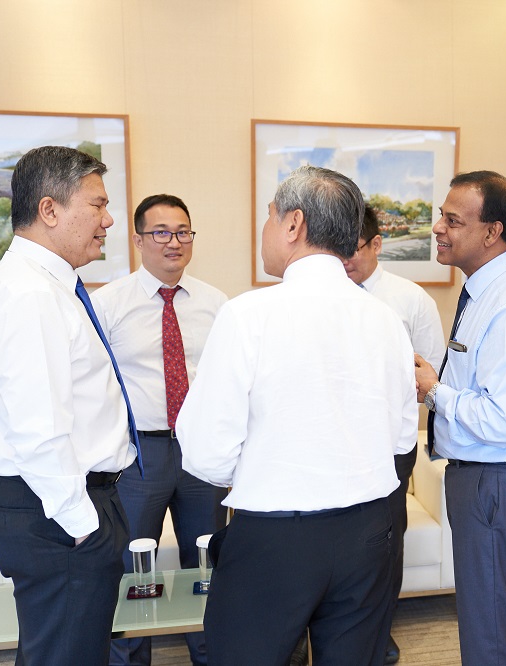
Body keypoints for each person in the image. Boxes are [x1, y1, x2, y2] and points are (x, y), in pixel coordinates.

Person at [176, 165, 417, 666]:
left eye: (269, 216)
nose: (264, 229)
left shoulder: (247, 314)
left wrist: (262, 467)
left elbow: (205, 454)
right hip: (370, 532)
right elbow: (401, 440)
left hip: (276, 536)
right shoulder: (386, 320)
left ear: (293, 224)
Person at [0, 146, 138, 665]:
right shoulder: (31, 294)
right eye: (98, 205)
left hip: (64, 506)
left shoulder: (45, 284)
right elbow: (39, 429)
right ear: (50, 210)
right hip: (59, 512)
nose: (108, 220)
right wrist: (82, 525)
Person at [414, 171, 506, 666]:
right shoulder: (487, 292)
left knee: (494, 631)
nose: (438, 228)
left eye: (453, 220)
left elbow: (501, 420)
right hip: (488, 479)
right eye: (442, 216)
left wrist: (434, 391)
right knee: (504, 618)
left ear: (492, 232)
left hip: (500, 480)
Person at [93, 194, 228, 666]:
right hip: (138, 456)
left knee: (207, 567)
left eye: (183, 231)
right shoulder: (108, 304)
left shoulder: (216, 304)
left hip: (199, 453)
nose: (174, 242)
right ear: (138, 240)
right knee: (132, 573)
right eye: (161, 232)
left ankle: (210, 656)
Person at [342, 204, 444, 664]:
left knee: (384, 539)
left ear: (377, 244)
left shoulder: (410, 299)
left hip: (389, 444)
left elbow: (431, 372)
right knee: (333, 540)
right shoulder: (320, 298)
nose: (344, 260)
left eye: (354, 249)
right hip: (334, 441)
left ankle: (380, 631)